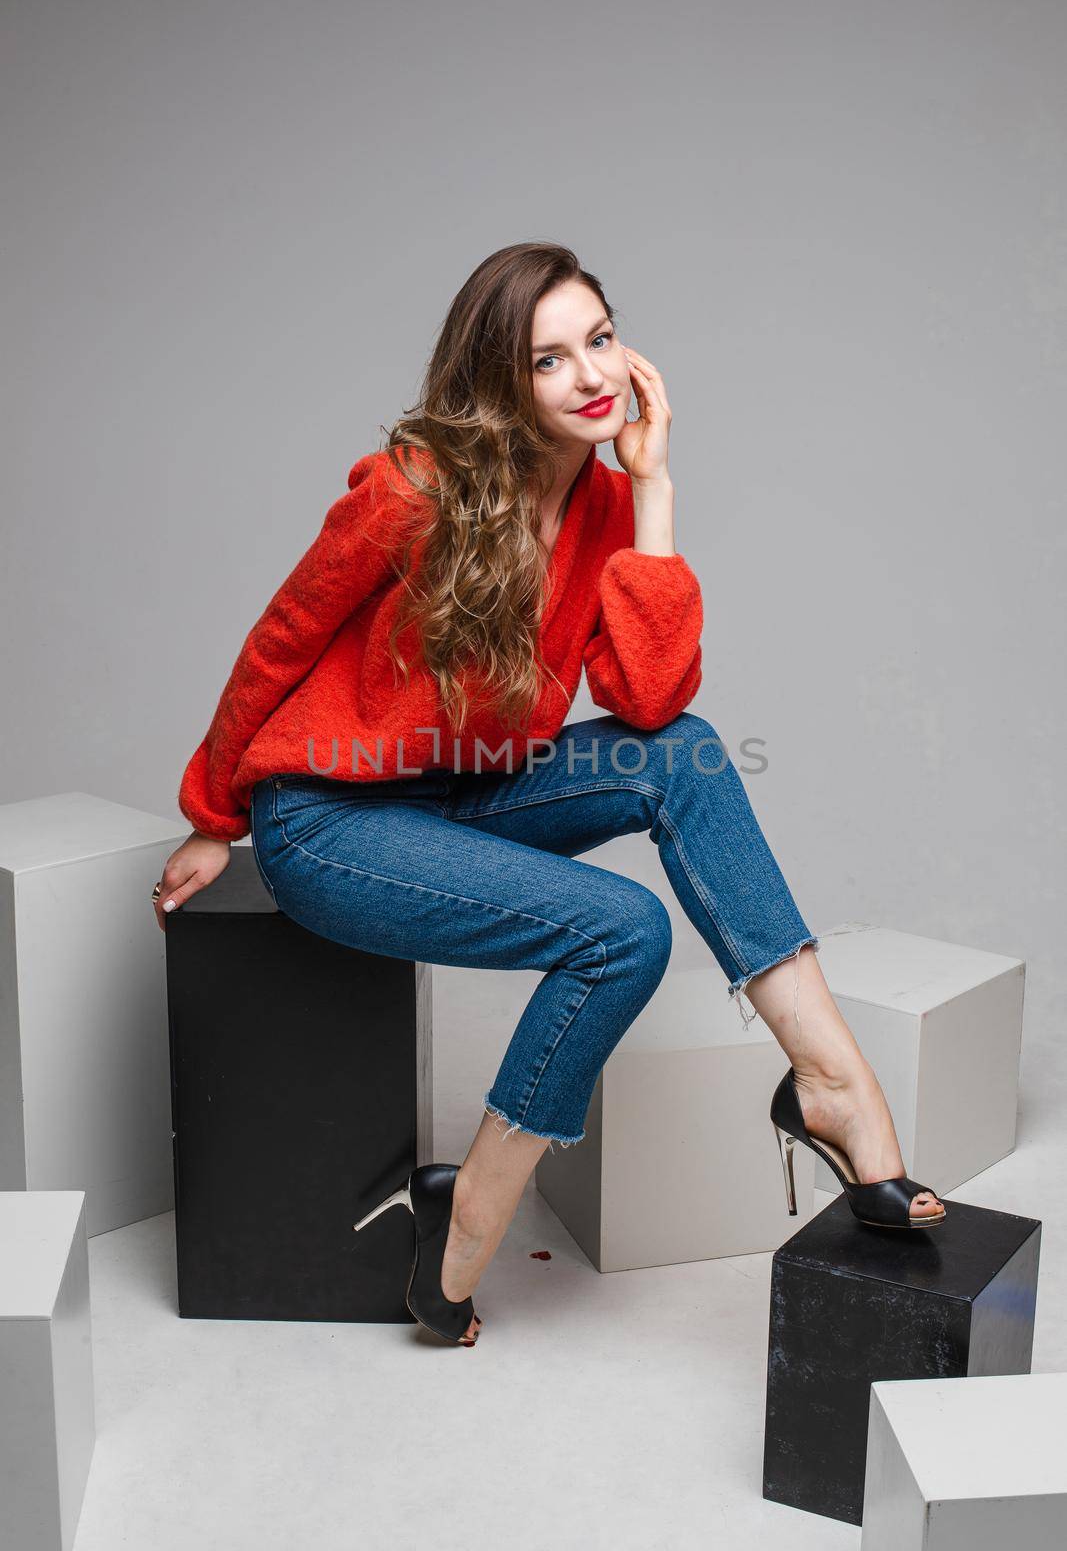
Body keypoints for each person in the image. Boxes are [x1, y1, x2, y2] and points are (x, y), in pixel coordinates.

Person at [153, 242, 945, 1349]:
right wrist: (212, 813)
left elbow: (650, 699)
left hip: (464, 795)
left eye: (601, 339)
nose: (591, 376)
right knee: (623, 930)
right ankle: (468, 1213)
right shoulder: (410, 490)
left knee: (689, 752)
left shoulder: (603, 503)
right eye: (549, 358)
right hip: (330, 823)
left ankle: (828, 1083)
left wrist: (654, 492)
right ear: (498, 379)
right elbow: (280, 638)